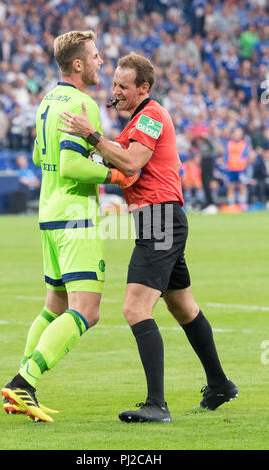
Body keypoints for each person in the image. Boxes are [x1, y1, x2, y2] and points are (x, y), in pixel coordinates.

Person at [58, 52, 239, 423]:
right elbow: (118, 163)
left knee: (134, 309)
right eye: (113, 85)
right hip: (157, 219)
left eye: (123, 86)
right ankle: (220, 384)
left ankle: (157, 404)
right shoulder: (134, 123)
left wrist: (91, 135)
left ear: (144, 87)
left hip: (159, 219)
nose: (115, 91)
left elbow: (132, 163)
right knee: (182, 307)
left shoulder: (152, 116)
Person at [1, 30, 138, 423]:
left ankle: (21, 388)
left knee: (54, 306)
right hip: (76, 217)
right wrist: (115, 174)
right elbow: (70, 164)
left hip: (49, 213)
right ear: (77, 64)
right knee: (87, 312)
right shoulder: (82, 104)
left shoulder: (48, 100)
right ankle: (23, 382)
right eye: (95, 56)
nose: (100, 62)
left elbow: (37, 154)